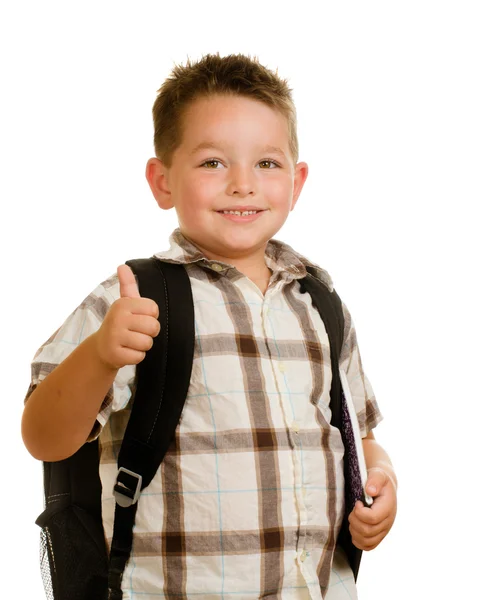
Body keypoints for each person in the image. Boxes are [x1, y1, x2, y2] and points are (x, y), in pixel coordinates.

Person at [22, 52, 397, 599]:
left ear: (297, 182)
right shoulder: (137, 298)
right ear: (162, 181)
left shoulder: (321, 303)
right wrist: (101, 355)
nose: (243, 184)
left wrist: (383, 483)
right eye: (213, 163)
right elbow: (44, 438)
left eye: (267, 164)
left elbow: (360, 438)